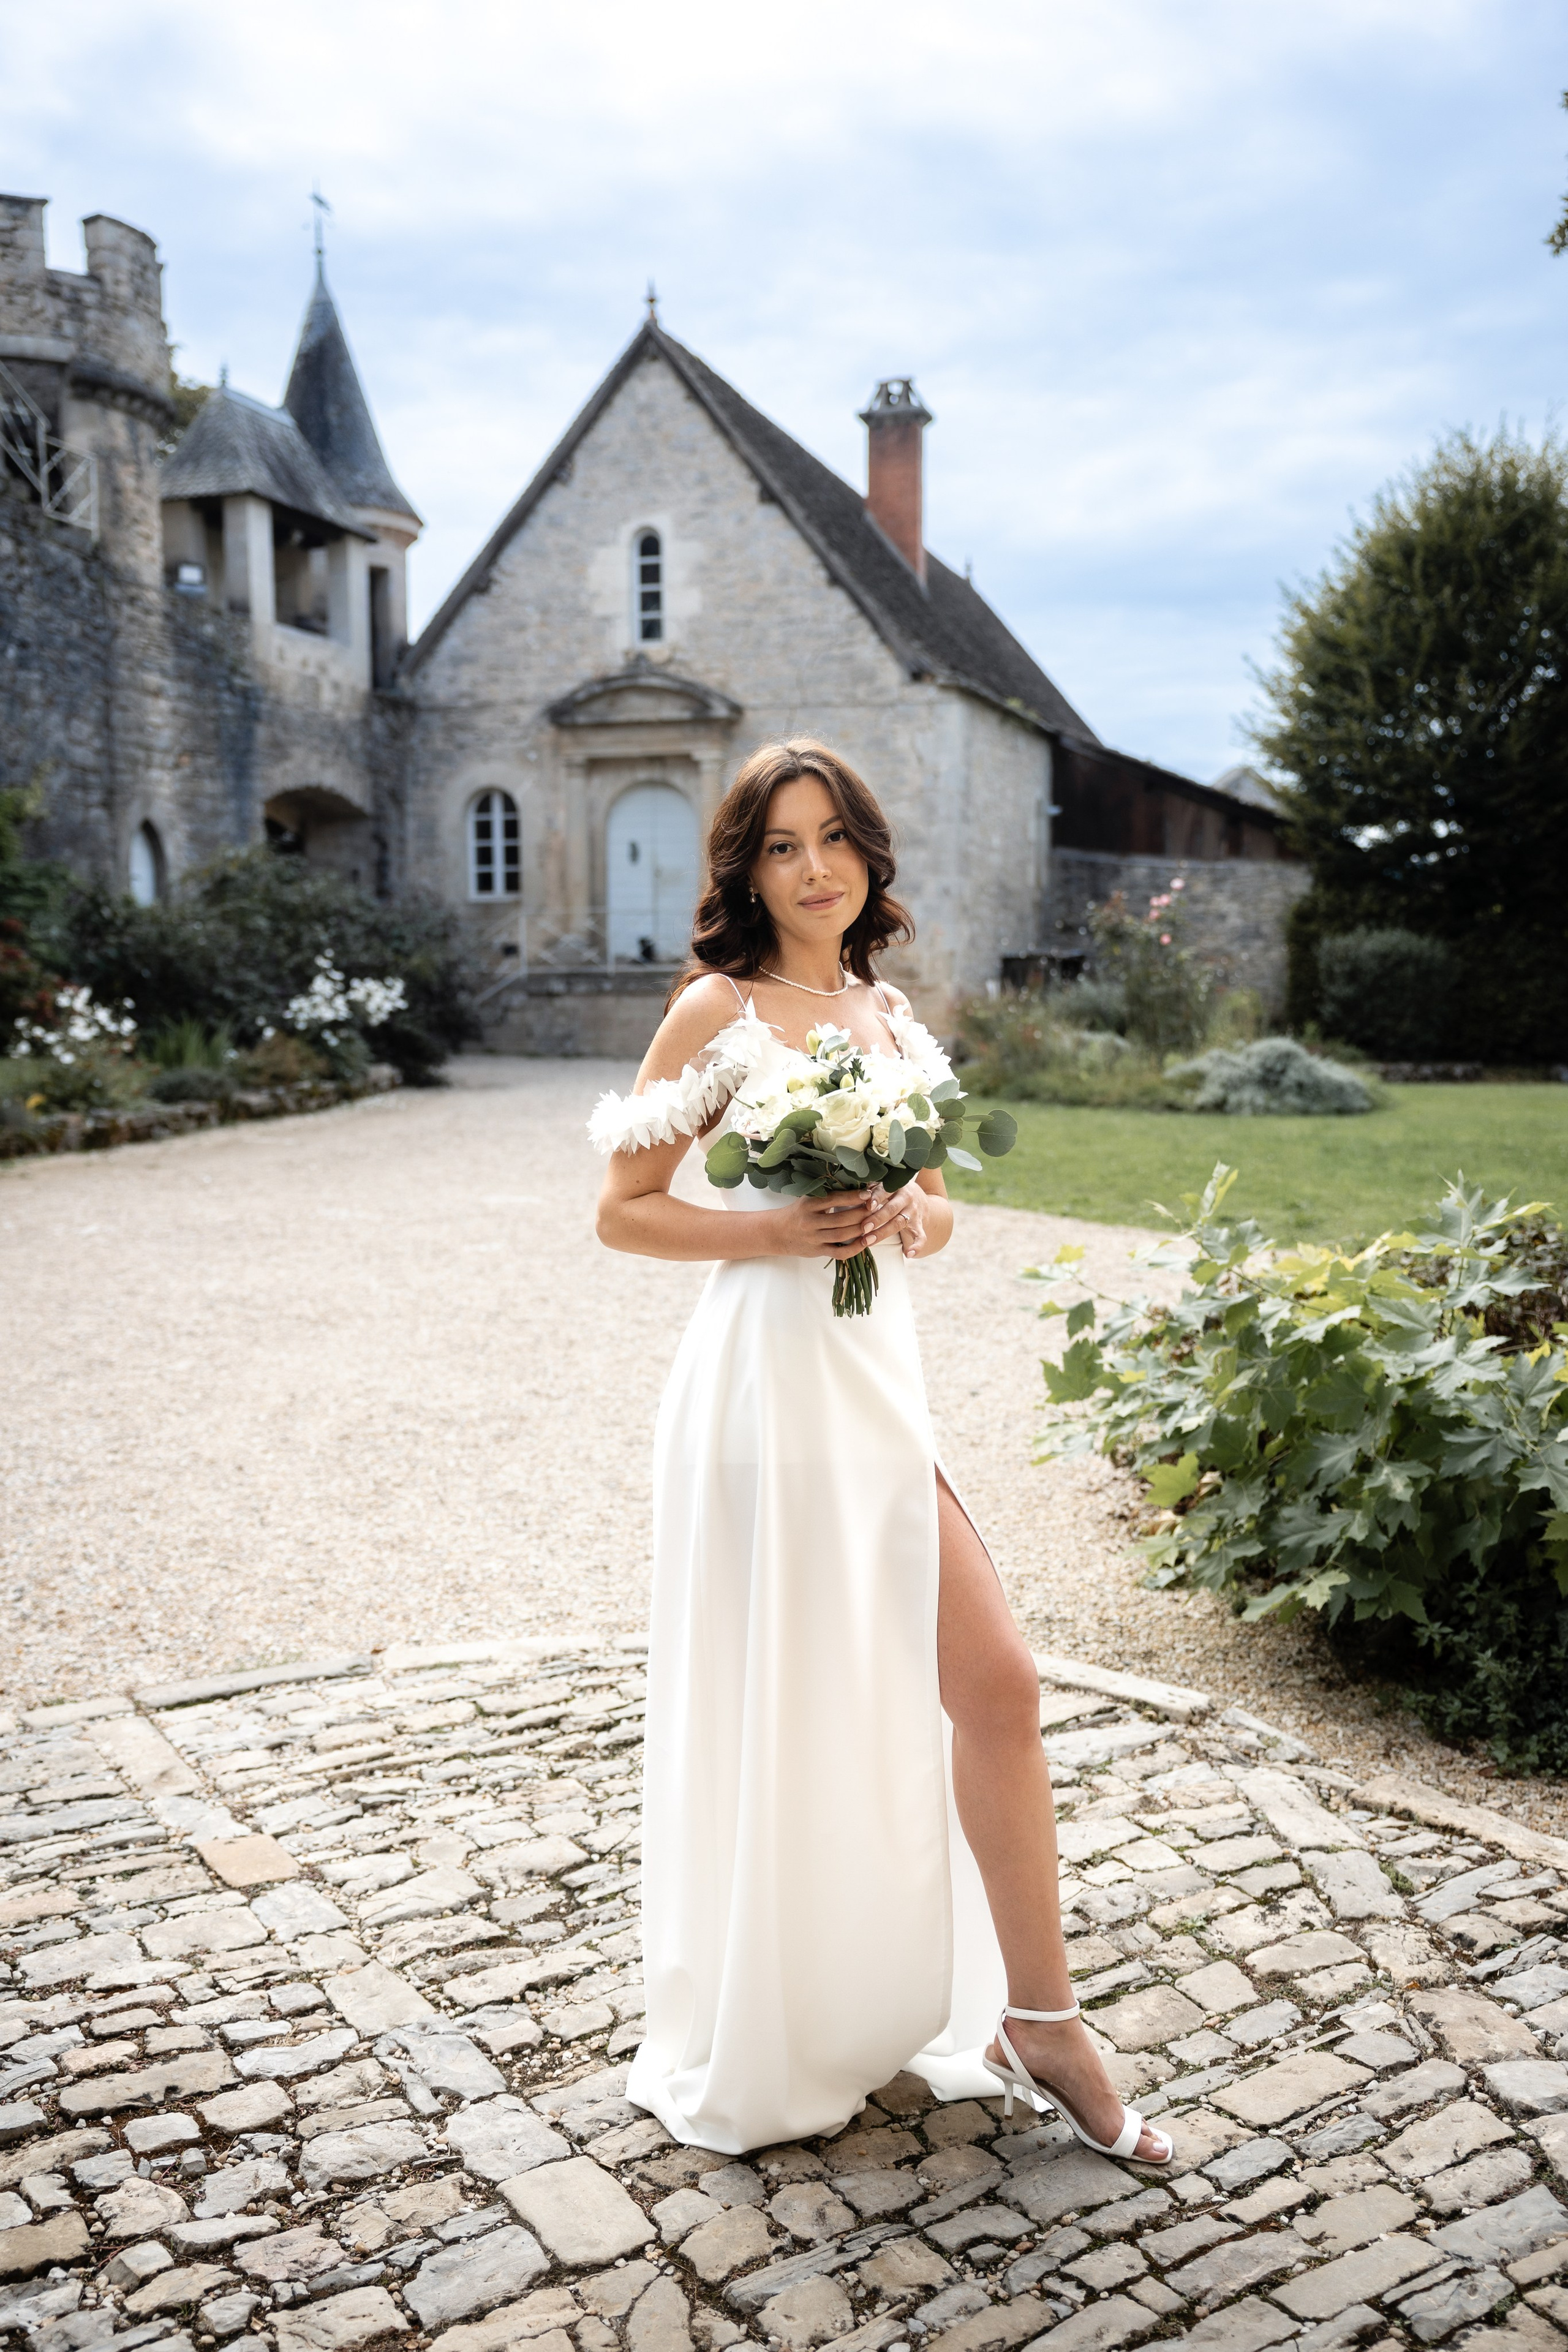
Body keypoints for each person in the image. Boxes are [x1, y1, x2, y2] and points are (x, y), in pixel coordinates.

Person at [592, 737, 1171, 2165]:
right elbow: (622, 1207)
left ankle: (1035, 2019)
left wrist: (909, 1213)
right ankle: (810, 2014)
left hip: (874, 1383)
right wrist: (773, 1230)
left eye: (833, 838)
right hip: (763, 1398)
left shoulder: (889, 1012)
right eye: (782, 846)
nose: (814, 869)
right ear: (746, 869)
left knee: (997, 1687)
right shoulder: (717, 1010)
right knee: (812, 1703)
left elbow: (939, 1209)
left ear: (868, 853)